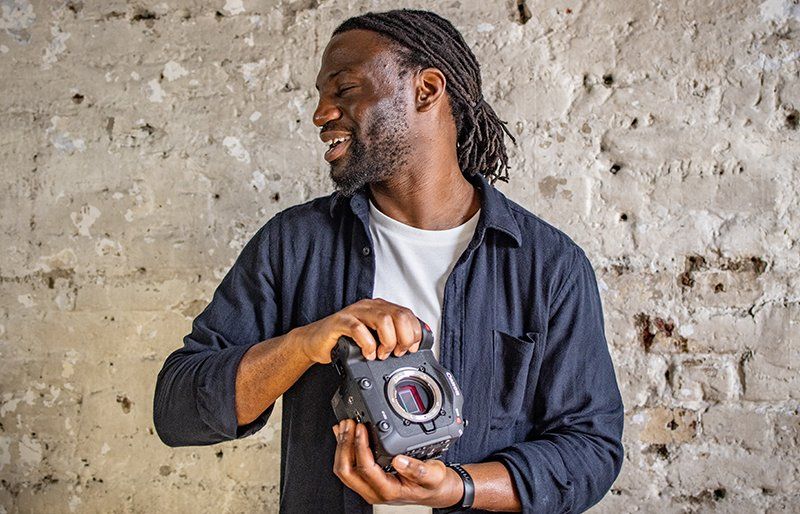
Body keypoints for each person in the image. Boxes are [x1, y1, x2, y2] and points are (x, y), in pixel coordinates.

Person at [153, 8, 624, 514]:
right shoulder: (294, 244)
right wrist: (303, 344)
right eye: (320, 96)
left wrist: (459, 488)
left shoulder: (547, 266)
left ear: (426, 89)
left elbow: (590, 449)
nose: (320, 113)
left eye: (345, 89)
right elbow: (177, 409)